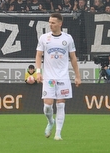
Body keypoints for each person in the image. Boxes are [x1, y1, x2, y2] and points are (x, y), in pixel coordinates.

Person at [35, 12, 82, 141]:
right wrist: (38, 72)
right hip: (49, 77)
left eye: (53, 22)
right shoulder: (44, 38)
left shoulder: (67, 38)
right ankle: (51, 122)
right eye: (49, 22)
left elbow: (73, 58)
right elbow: (39, 55)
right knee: (48, 105)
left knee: (61, 104)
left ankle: (58, 134)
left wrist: (77, 76)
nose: (50, 25)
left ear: (60, 24)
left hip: (63, 77)